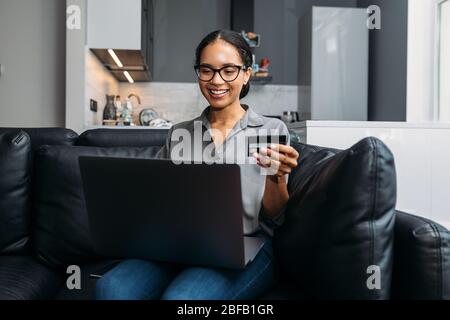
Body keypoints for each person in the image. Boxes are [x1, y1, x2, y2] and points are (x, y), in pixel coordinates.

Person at [96, 30, 300, 300]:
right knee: (111, 288)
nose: (216, 80)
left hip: (246, 245)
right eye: (207, 70)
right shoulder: (179, 133)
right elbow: (158, 201)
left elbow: (275, 214)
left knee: (183, 300)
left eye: (229, 70)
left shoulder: (270, 129)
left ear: (246, 73)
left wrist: (277, 178)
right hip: (177, 245)